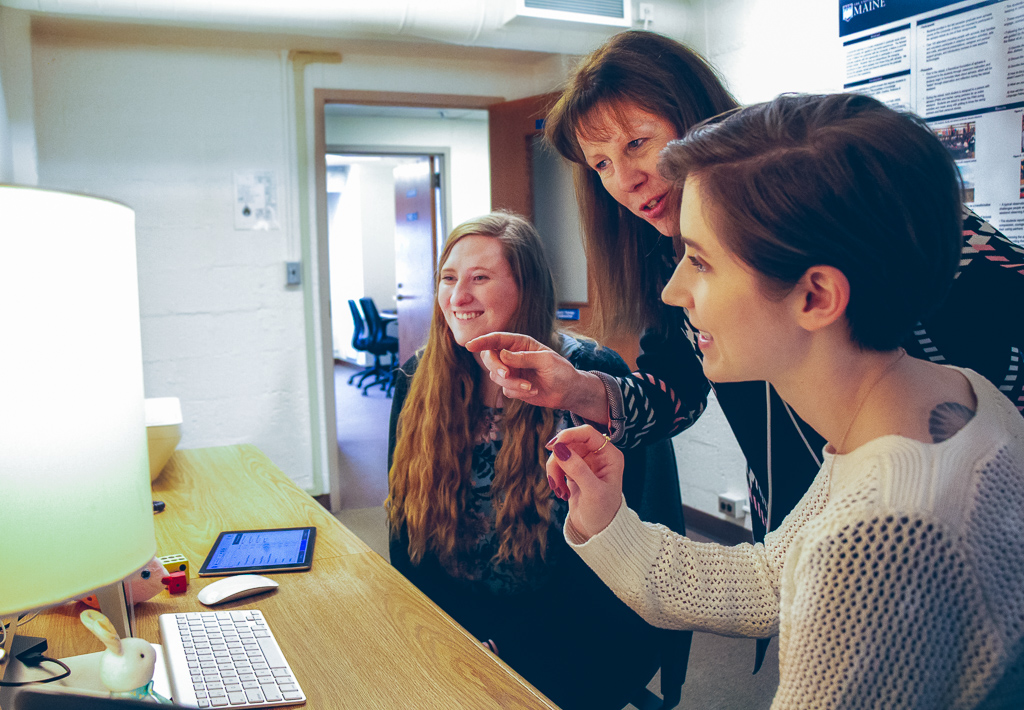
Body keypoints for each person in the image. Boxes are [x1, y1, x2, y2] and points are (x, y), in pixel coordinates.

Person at [547, 93, 1024, 709]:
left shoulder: (871, 545)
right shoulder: (957, 395)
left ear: (816, 296)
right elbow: (773, 577)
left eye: (699, 261)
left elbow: (824, 567)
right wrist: (606, 519)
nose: (672, 290)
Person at [469, 28, 1024, 553]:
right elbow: (677, 390)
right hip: (801, 516)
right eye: (601, 165)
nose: (624, 180)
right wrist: (579, 389)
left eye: (637, 143)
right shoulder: (663, 252)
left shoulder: (826, 194)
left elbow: (998, 284)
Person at [385, 212, 662, 710]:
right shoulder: (416, 379)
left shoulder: (590, 377)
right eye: (449, 278)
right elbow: (406, 529)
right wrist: (436, 627)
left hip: (567, 627)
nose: (458, 297)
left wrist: (510, 647)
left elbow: (615, 547)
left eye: (480, 279)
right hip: (456, 620)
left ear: (526, 287)